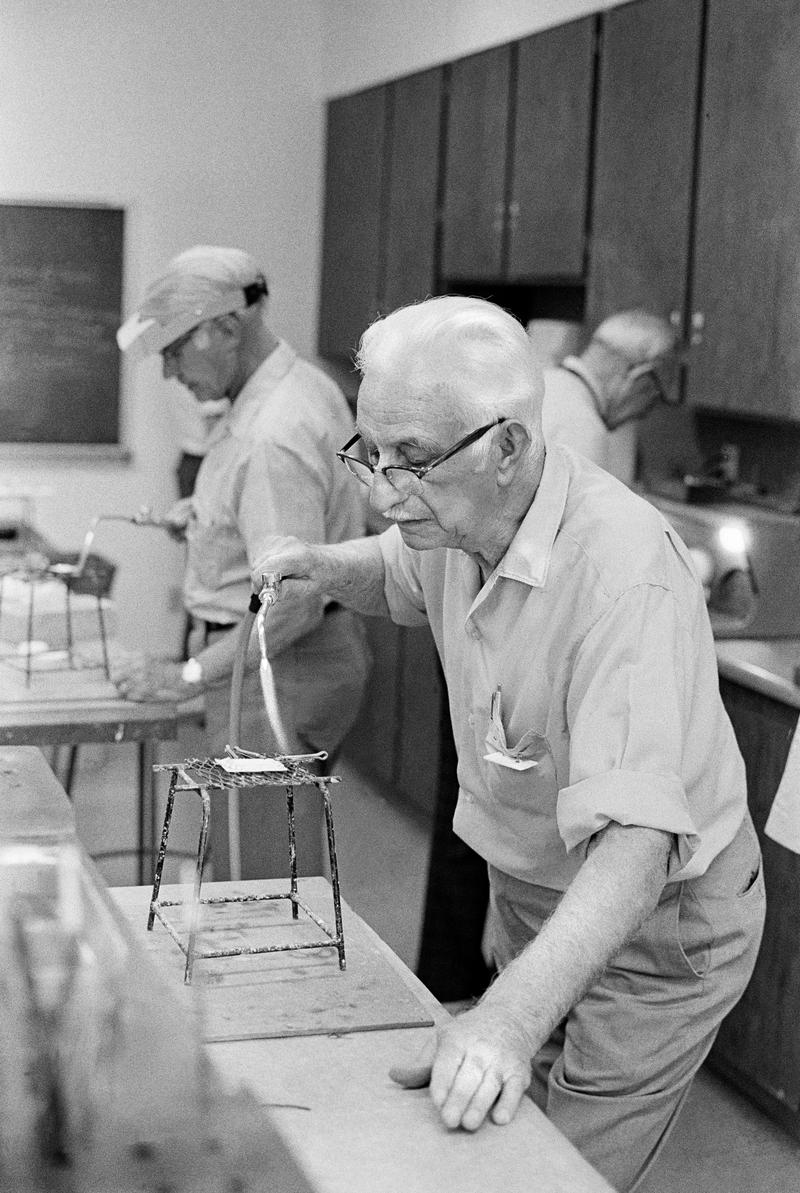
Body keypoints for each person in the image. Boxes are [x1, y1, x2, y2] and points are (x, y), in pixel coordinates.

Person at [248, 296, 765, 1191]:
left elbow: (637, 848)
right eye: (370, 453)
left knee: (555, 1170)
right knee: (488, 1127)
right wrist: (322, 565)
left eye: (409, 461)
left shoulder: (621, 577)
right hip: (537, 891)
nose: (381, 488)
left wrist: (505, 1021)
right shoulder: (452, 513)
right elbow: (397, 572)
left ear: (509, 448)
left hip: (654, 924)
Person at [418, 308, 681, 1003]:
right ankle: (483, 989)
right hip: (517, 670)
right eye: (654, 395)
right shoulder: (588, 428)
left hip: (480, 649)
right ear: (641, 377)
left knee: (468, 831)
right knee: (498, 835)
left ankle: (453, 989)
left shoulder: (544, 395)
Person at [112, 245, 371, 879]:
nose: (170, 372)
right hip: (288, 658)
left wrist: (190, 672)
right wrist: (210, 526)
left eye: (174, 351)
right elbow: (285, 531)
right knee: (252, 851)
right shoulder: (292, 386)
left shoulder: (272, 432)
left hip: (281, 664)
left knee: (256, 879)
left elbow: (294, 602)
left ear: (226, 328)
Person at [542, 308, 679, 485]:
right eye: (655, 395)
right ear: (640, 376)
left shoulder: (540, 381)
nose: (644, 414)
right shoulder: (583, 429)